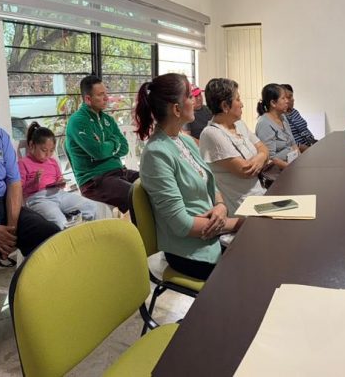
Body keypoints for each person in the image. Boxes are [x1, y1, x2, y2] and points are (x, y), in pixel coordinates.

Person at [136, 73, 243, 281]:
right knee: (257, 265)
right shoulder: (156, 153)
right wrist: (236, 223)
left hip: (210, 234)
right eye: (190, 96)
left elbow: (210, 182)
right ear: (176, 109)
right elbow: (182, 224)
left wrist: (221, 207)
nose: (195, 100)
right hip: (189, 252)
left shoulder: (184, 140)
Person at [0, 85, 60, 363]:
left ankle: (39, 305)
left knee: (49, 233)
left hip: (2, 203)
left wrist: (12, 227)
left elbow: (14, 183)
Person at [65, 75, 139, 213]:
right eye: (100, 95)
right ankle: (140, 227)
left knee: (151, 183)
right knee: (137, 195)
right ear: (88, 99)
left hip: (119, 173)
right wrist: (114, 142)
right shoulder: (78, 121)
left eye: (106, 93)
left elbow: (124, 147)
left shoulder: (108, 119)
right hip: (94, 182)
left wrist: (106, 145)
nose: (106, 98)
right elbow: (98, 152)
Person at [199, 78, 270, 214]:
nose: (242, 104)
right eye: (238, 99)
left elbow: (264, 148)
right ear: (225, 106)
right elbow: (245, 170)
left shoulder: (239, 124)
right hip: (243, 205)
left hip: (261, 194)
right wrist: (262, 158)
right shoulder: (211, 133)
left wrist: (260, 156)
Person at [18, 122, 98, 228]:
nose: (48, 154)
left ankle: (88, 230)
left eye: (51, 151)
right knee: (60, 222)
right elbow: (20, 189)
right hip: (38, 199)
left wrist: (61, 182)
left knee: (91, 206)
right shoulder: (23, 163)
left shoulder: (52, 162)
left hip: (59, 194)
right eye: (44, 150)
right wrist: (35, 181)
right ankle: (69, 234)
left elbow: (59, 178)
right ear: (32, 145)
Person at [256, 83, 300, 170]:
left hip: (292, 165)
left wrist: (301, 162)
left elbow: (293, 144)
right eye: (283, 98)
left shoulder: (283, 117)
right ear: (273, 103)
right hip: (277, 171)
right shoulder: (264, 124)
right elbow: (270, 158)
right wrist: (292, 168)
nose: (287, 101)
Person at [281, 84, 317, 151]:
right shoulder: (280, 117)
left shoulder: (294, 112)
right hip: (299, 150)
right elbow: (286, 141)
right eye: (289, 97)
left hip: (310, 143)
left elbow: (304, 129)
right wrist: (306, 149)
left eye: (292, 96)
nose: (293, 99)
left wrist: (314, 142)